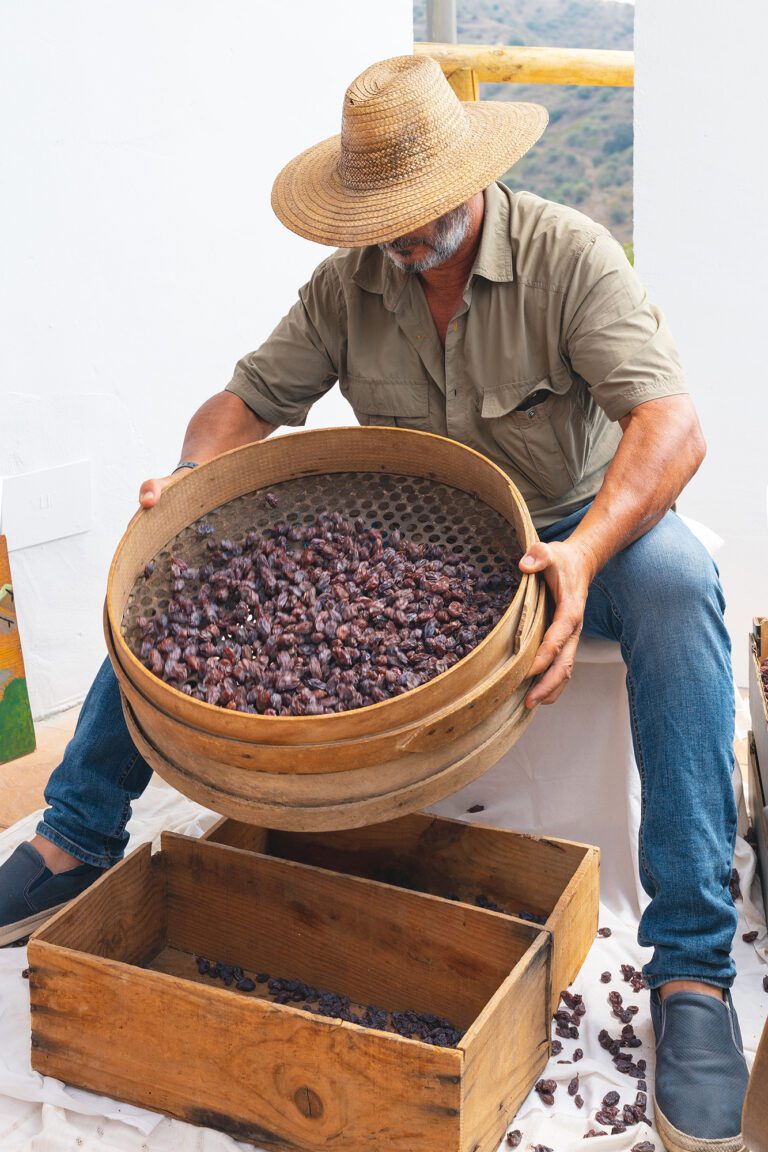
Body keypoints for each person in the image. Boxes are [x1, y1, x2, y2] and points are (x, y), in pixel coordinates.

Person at [0, 55, 748, 1152]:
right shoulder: (353, 280)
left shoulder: (565, 256)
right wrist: (188, 481)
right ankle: (74, 834)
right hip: (417, 541)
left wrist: (584, 556)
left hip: (567, 527)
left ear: (471, 179)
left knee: (683, 588)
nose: (397, 234)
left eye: (415, 209)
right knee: (189, 569)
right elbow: (245, 402)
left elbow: (672, 426)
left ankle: (694, 976)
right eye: (378, 215)